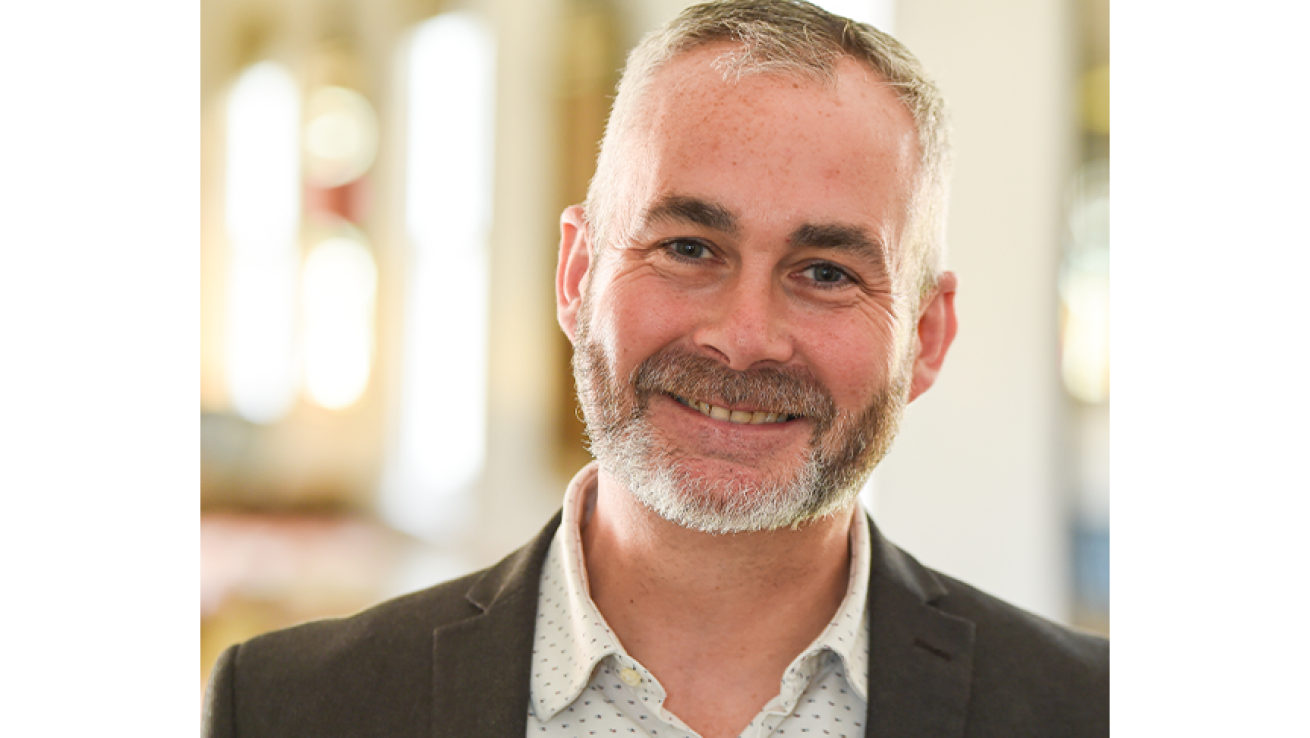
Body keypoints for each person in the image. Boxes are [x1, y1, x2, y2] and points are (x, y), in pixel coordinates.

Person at [201, 1, 1110, 736]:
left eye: (826, 271)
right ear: (577, 275)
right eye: (687, 247)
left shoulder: (1079, 711)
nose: (745, 337)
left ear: (928, 335)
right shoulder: (291, 707)